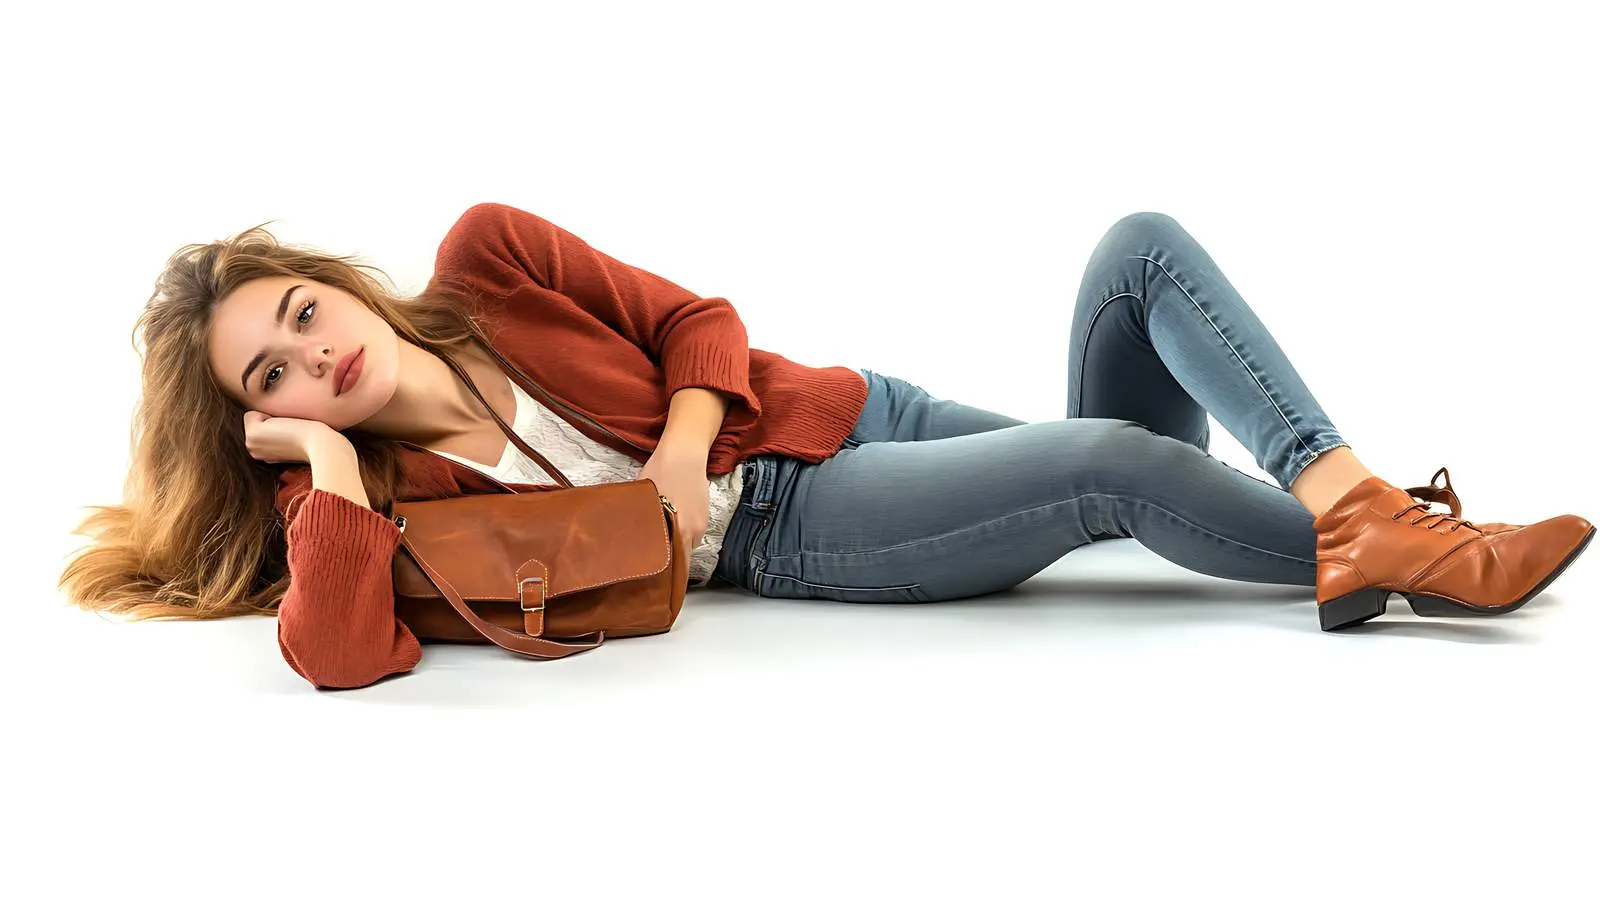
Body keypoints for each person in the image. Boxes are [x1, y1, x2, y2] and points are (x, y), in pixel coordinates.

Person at [59, 203, 1594, 689]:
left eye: (305, 312)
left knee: (1134, 256)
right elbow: (338, 655)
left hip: (852, 405)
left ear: (334, 284)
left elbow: (697, 320)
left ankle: (1357, 519)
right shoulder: (373, 502)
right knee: (1114, 473)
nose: (318, 352)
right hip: (802, 527)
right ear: (267, 416)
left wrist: (681, 446)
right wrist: (326, 469)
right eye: (276, 373)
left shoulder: (485, 262)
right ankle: (1395, 539)